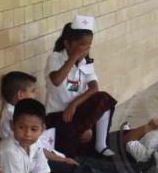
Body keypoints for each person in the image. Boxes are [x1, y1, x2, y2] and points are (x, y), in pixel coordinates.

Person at [0, 70, 151, 173]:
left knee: (85, 161)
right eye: (32, 91)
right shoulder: (14, 118)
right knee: (81, 171)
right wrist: (62, 159)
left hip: (45, 157)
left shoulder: (20, 112)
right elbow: (35, 149)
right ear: (20, 95)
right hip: (37, 166)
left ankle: (140, 169)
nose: (36, 94)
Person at [46, 14, 118, 158]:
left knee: (104, 98)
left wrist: (73, 104)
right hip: (58, 116)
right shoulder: (56, 58)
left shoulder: (86, 62)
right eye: (81, 47)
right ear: (67, 44)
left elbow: (94, 88)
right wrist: (73, 58)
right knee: (80, 142)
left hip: (75, 112)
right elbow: (57, 80)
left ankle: (101, 145)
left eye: (87, 47)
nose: (84, 51)